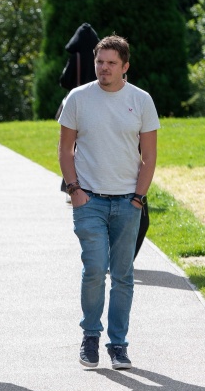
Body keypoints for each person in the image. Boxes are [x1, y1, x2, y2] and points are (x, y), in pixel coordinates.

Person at [58, 35, 159, 370]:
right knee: (94, 269)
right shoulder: (78, 98)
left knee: (123, 275)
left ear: (125, 66)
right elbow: (65, 150)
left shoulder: (141, 101)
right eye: (100, 62)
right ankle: (90, 336)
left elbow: (149, 156)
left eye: (111, 63)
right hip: (90, 200)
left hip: (128, 203)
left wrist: (138, 198)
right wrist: (75, 191)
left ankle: (118, 344)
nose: (104, 68)